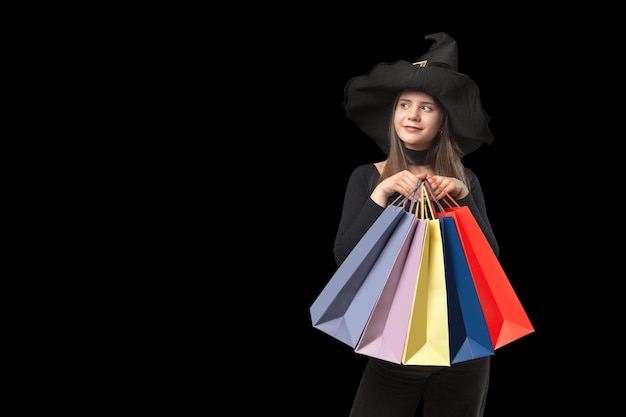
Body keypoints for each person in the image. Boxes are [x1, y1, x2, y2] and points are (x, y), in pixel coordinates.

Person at [335, 32, 501, 417]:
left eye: (426, 107)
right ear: (392, 116)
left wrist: (461, 196)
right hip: (395, 347)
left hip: (464, 348)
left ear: (443, 120)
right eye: (404, 105)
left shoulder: (466, 180)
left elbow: (489, 259)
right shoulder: (367, 176)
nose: (412, 115)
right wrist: (382, 194)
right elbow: (346, 260)